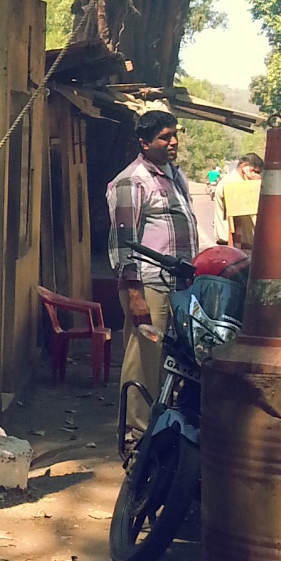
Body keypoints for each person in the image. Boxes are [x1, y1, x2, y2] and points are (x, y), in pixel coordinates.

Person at [107, 110, 197, 452]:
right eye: (164, 137)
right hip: (148, 285)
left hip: (178, 286)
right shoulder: (132, 181)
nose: (173, 142)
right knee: (143, 359)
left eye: (174, 135)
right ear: (144, 143)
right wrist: (135, 295)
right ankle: (136, 436)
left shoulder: (176, 176)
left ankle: (162, 429)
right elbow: (123, 244)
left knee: (171, 360)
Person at [215, 151, 264, 248]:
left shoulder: (240, 183)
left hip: (242, 245)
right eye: (255, 171)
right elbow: (235, 224)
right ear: (244, 167)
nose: (257, 175)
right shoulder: (234, 184)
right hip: (236, 245)